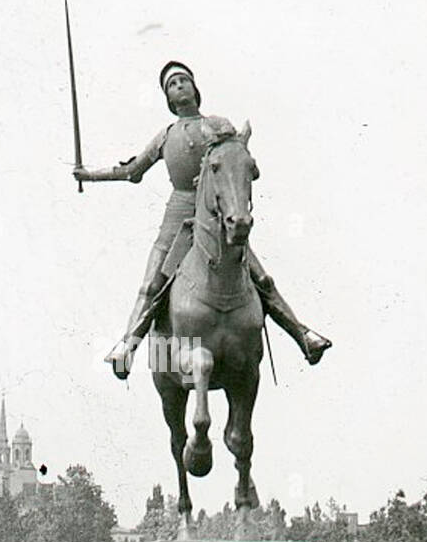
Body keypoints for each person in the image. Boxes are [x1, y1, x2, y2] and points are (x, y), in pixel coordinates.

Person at [74, 61, 332, 379]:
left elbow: (238, 160)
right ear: (168, 98)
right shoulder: (165, 136)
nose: (179, 86)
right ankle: (128, 346)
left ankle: (302, 334)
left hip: (215, 216)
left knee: (260, 278)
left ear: (196, 88)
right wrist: (90, 175)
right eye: (172, 84)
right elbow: (132, 171)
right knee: (152, 282)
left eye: (184, 80)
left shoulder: (216, 125)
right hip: (177, 215)